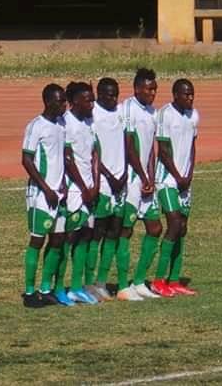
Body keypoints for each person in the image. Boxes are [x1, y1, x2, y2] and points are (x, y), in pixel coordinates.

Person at [20, 83, 68, 308]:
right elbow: (26, 160)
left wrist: (63, 186)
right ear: (49, 102)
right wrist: (47, 189)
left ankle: (46, 288)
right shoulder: (35, 126)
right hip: (40, 194)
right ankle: (29, 293)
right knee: (37, 241)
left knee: (57, 240)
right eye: (61, 101)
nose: (64, 105)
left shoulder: (61, 125)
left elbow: (62, 158)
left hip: (59, 193)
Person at [117, 68, 163, 301]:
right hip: (131, 179)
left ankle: (139, 281)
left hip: (146, 180)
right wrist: (143, 177)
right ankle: (123, 286)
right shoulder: (127, 109)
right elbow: (129, 147)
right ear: (136, 88)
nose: (153, 93)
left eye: (155, 89)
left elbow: (151, 150)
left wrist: (152, 177)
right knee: (126, 230)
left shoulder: (153, 113)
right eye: (148, 89)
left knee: (155, 228)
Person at [151, 79, 199, 297]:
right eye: (186, 94)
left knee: (182, 229)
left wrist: (189, 174)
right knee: (173, 223)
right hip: (167, 179)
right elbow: (162, 151)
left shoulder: (193, 115)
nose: (190, 98)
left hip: (184, 181)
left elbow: (192, 146)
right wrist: (178, 175)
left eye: (192, 95)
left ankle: (174, 280)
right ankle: (158, 280)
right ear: (175, 95)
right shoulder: (164, 115)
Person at [58, 81, 100, 305]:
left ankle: (76, 287)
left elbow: (93, 154)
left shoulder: (88, 122)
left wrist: (95, 185)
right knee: (69, 237)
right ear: (75, 101)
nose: (92, 104)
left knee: (85, 236)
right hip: (75, 189)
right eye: (88, 100)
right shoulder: (66, 123)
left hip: (89, 189)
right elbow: (68, 159)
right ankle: (58, 288)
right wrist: (84, 187)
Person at [87, 77, 126, 302]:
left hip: (120, 183)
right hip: (103, 182)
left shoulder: (121, 112)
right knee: (97, 233)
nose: (113, 99)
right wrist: (109, 176)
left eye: (115, 94)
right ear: (99, 95)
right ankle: (89, 282)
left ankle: (102, 282)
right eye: (108, 95)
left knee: (113, 232)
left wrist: (122, 175)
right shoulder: (93, 116)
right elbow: (93, 152)